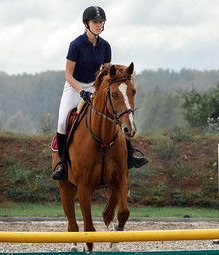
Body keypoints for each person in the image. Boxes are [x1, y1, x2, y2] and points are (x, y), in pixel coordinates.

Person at [52, 6, 148, 180]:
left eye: (101, 22)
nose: (99, 25)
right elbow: (68, 75)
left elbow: (106, 72)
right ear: (86, 24)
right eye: (95, 22)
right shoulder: (76, 45)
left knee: (114, 114)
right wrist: (81, 91)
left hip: (95, 86)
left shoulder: (105, 46)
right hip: (74, 87)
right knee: (61, 122)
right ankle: (63, 164)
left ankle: (130, 155)